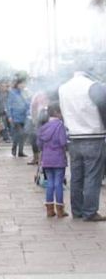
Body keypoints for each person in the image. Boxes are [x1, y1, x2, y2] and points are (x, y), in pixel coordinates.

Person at [59, 69, 106, 221]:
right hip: (93, 136)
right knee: (93, 176)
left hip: (73, 137)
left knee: (76, 177)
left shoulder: (63, 87)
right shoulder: (93, 86)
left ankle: (77, 211)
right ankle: (90, 212)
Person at [37, 103, 68, 218]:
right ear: (57, 113)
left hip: (46, 158)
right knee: (58, 183)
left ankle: (49, 210)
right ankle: (60, 210)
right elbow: (63, 142)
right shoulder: (60, 125)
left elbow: (39, 144)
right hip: (58, 158)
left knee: (50, 183)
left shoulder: (43, 127)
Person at [7, 76, 29, 157]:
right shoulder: (12, 93)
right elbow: (9, 105)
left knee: (21, 134)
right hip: (15, 117)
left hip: (24, 117)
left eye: (24, 84)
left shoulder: (25, 93)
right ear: (17, 84)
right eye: (21, 84)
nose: (23, 85)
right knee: (20, 133)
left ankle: (20, 151)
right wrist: (9, 116)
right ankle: (14, 149)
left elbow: (28, 103)